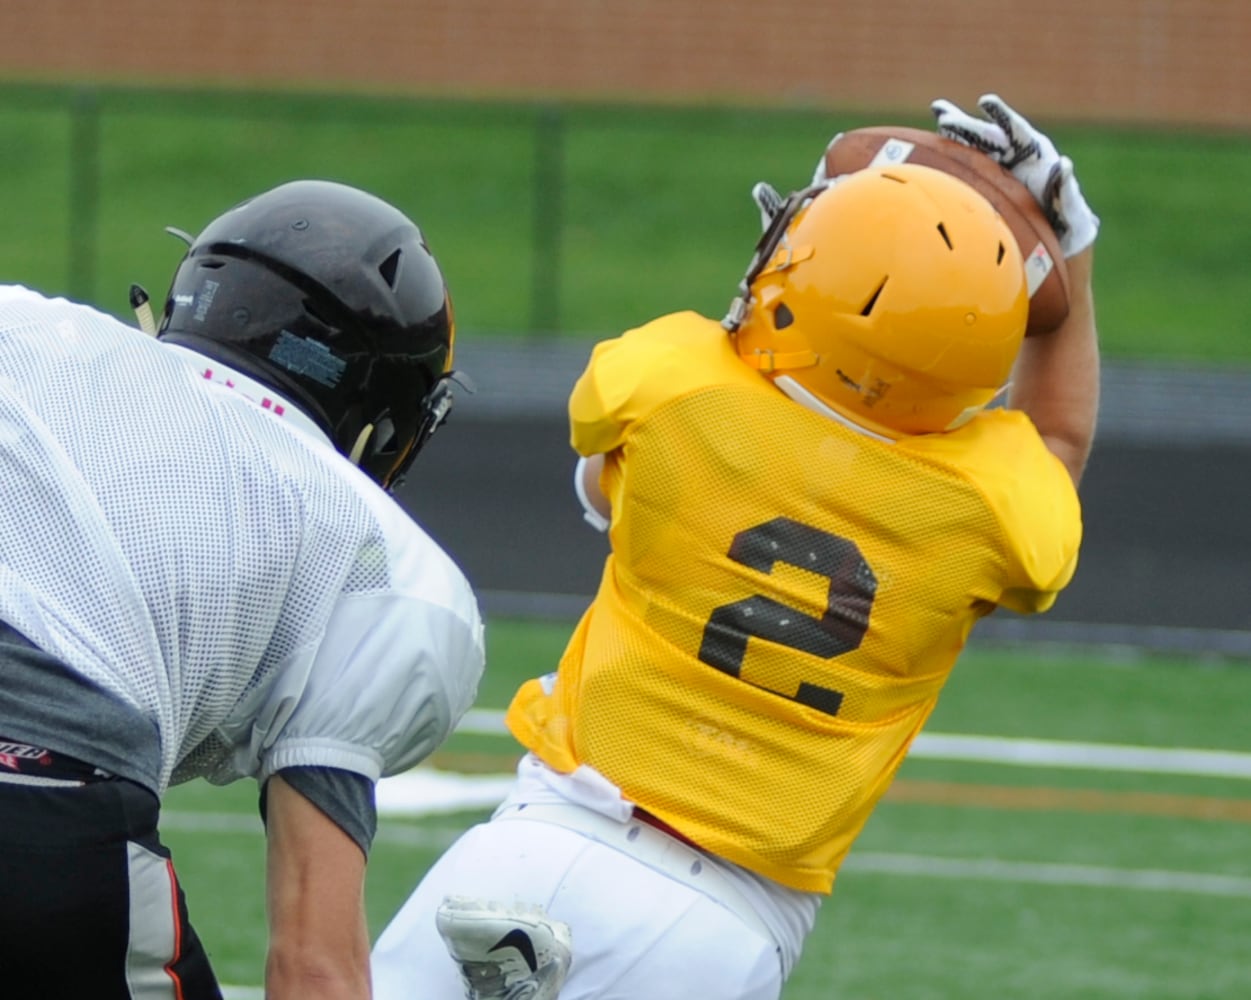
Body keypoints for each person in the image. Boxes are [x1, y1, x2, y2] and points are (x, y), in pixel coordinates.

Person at [371, 95, 1100, 1000]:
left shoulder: (676, 391)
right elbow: (1056, 443)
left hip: (539, 840)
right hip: (719, 920)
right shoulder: (988, 509)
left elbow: (615, 473)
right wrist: (1071, 266)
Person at [0, 179, 485, 999]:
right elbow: (314, 966)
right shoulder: (380, 556)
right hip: (43, 811)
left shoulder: (25, 323)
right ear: (384, 415)